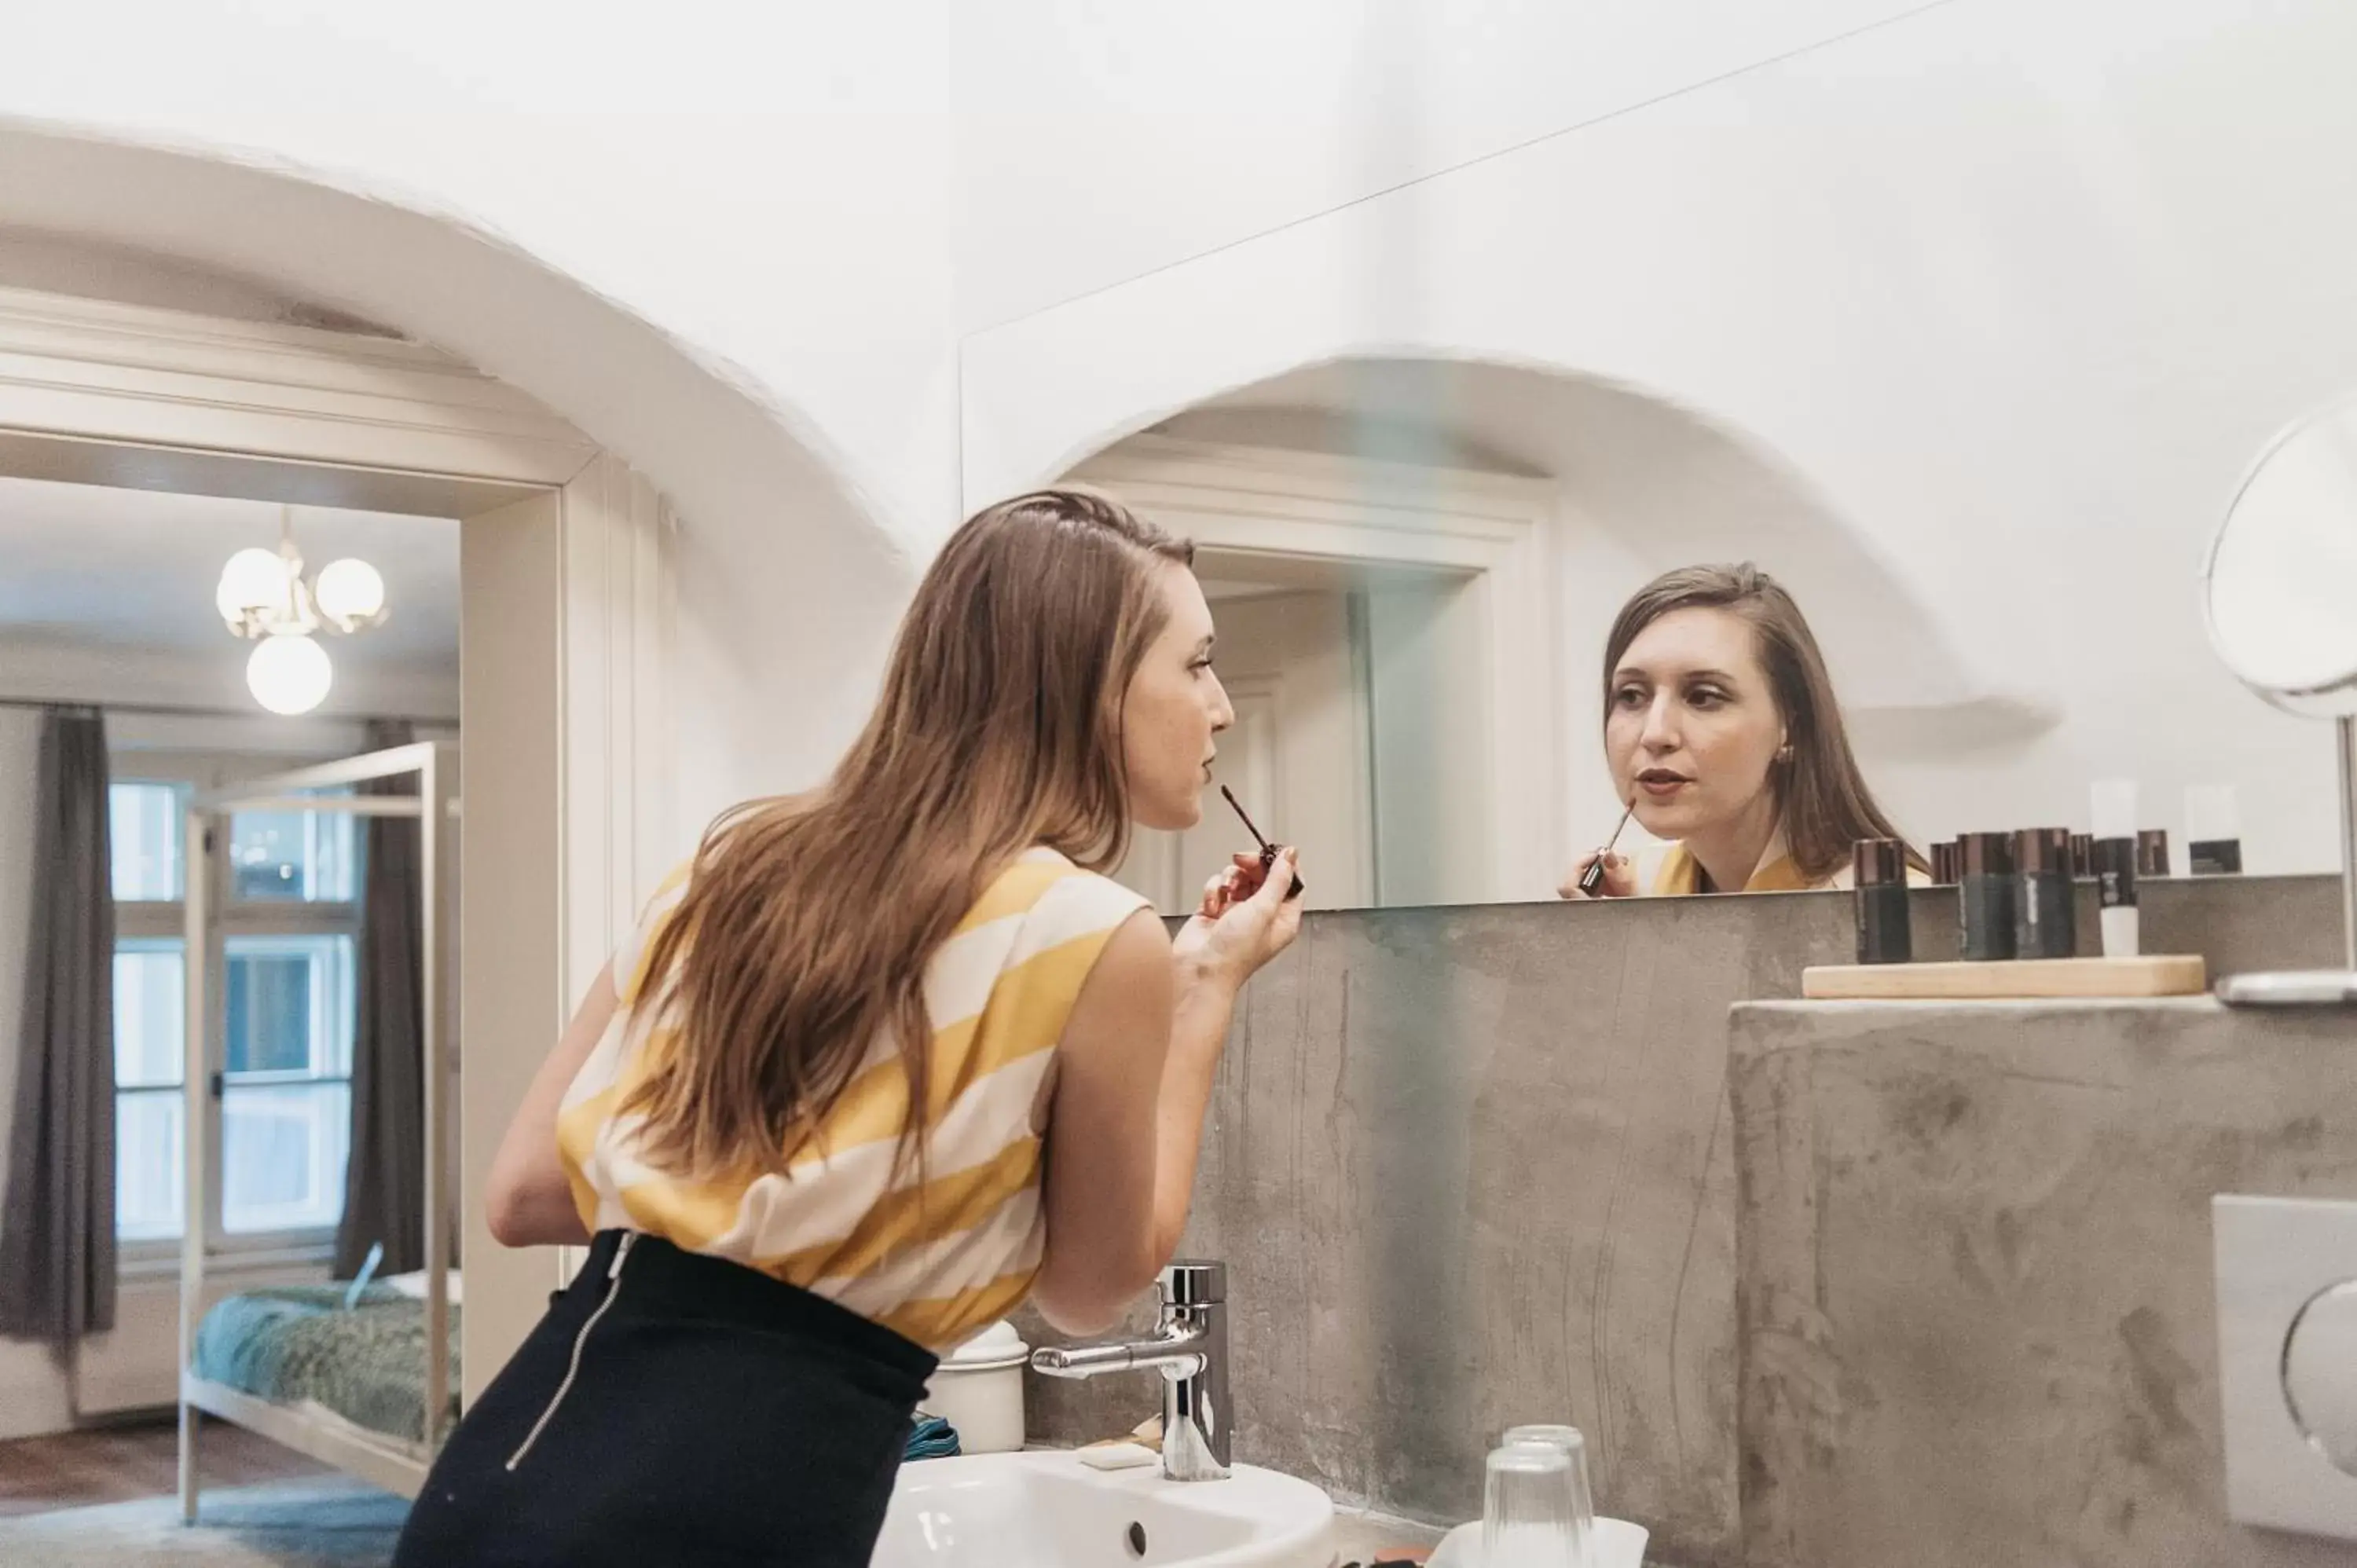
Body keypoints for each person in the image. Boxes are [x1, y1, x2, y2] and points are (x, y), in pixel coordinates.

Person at [393, 489, 1303, 1568]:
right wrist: (1205, 989)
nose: (1223, 708)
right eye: (1196, 663)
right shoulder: (1092, 934)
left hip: (501, 1477)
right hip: (733, 1515)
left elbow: (523, 1193)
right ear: (1089, 684)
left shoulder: (733, 871)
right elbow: (1091, 1285)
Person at [1559, 562, 1923, 898]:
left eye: (1703, 697)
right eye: (1632, 696)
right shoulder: (1636, 891)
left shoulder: (1894, 910)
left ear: (1790, 725)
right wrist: (1617, 952)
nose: (1655, 734)